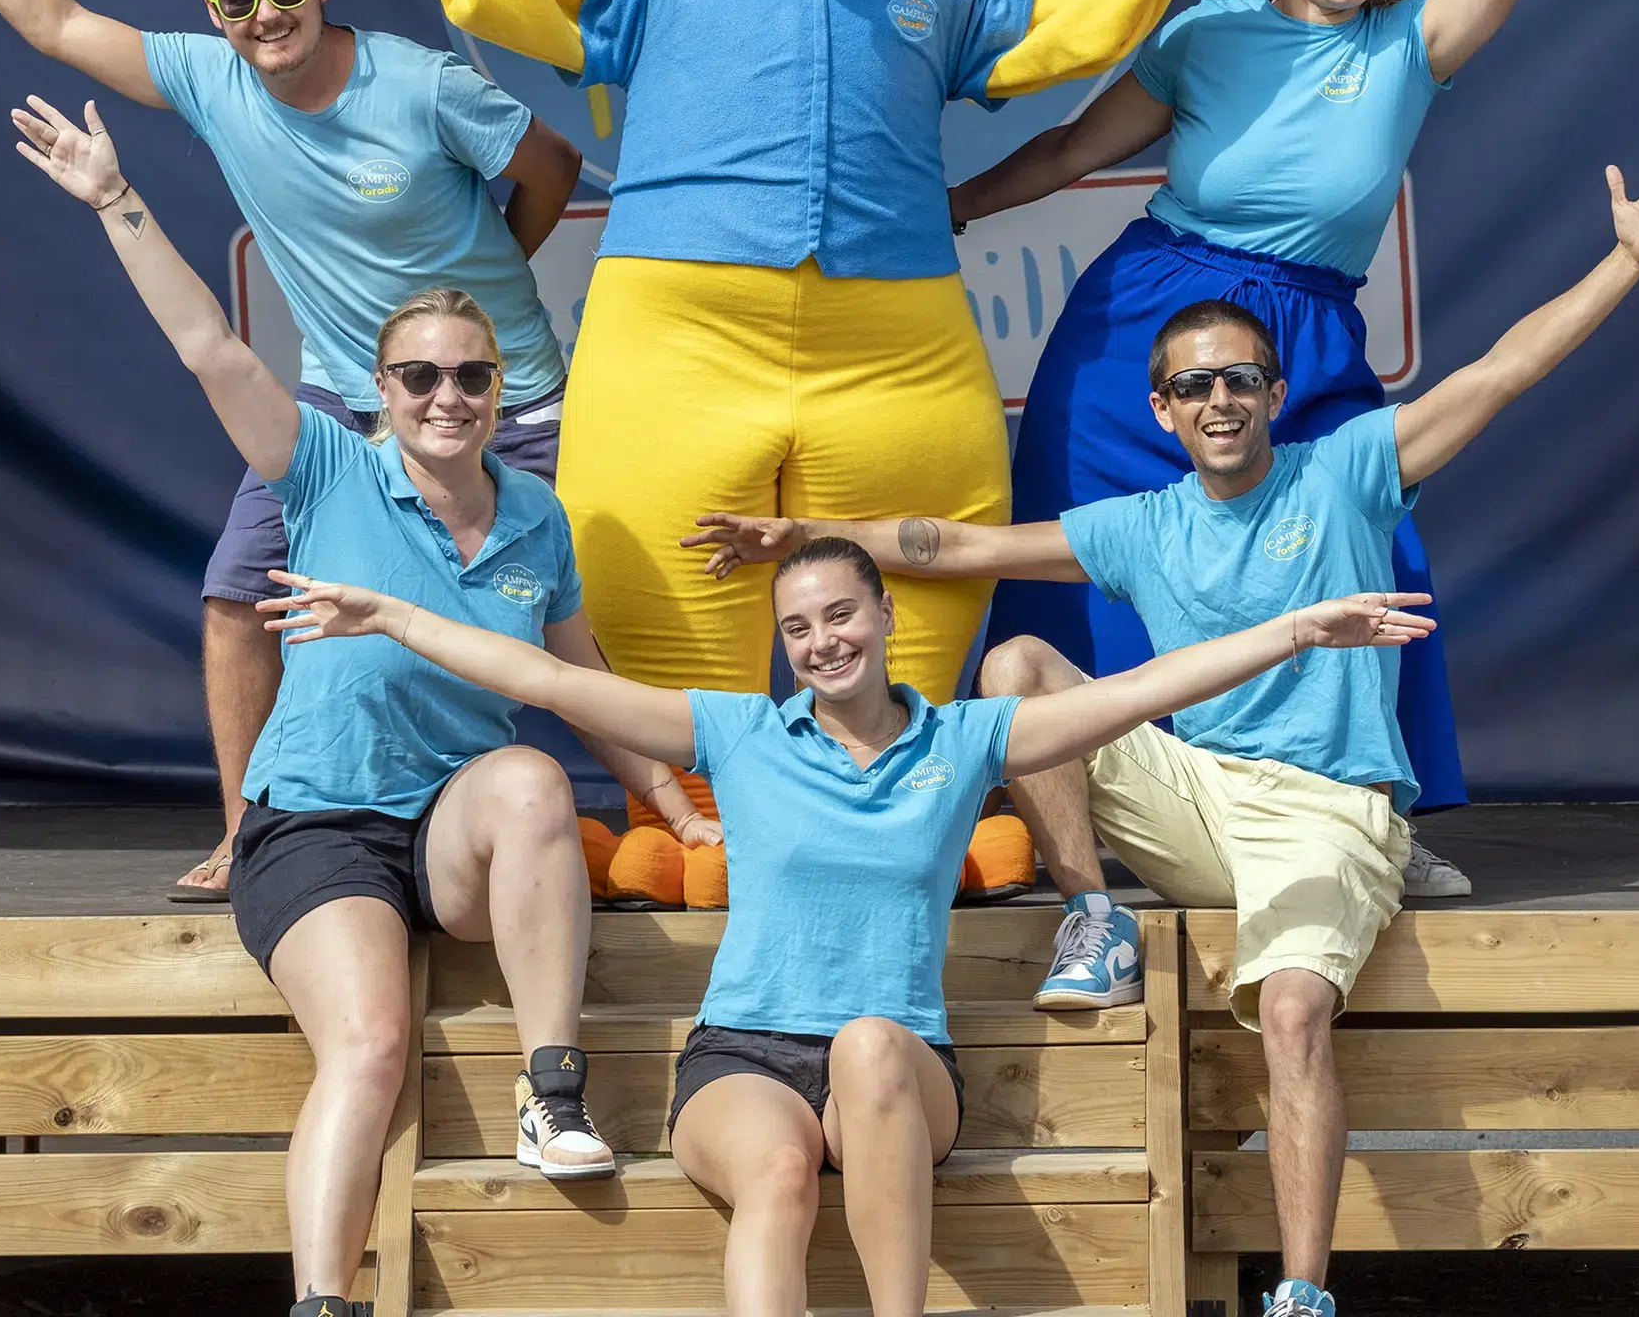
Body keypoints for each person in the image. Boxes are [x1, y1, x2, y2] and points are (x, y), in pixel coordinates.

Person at [689, 147, 1639, 1317]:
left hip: (1326, 811)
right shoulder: (1145, 522)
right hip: (1195, 800)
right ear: (1164, 412)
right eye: (1193, 386)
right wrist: (801, 538)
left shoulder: (1346, 472)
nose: (1219, 400)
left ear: (1274, 393)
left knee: (1291, 1010)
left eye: (1239, 379)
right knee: (1017, 667)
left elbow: (1499, 373)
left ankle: (1303, 1294)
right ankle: (1093, 917)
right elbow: (951, 547)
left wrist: (1627, 260)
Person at [258, 536, 1426, 1317]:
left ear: (883, 613)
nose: (822, 641)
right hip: (741, 1059)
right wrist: (393, 616)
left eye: (840, 614)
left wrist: (1296, 631)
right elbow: (551, 683)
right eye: (799, 627)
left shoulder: (964, 739)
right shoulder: (741, 735)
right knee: (776, 1172)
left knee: (868, 1041)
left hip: (899, 1071)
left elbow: (1141, 692)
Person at [7, 95, 719, 1317]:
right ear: (381, 392)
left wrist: (671, 798)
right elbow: (210, 348)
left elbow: (582, 679)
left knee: (533, 777)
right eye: (420, 376)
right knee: (374, 1046)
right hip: (320, 830)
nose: (448, 396)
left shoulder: (536, 517)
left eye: (472, 376)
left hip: (448, 837)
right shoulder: (327, 466)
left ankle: (552, 1094)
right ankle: (325, 1302)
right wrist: (117, 200)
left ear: (501, 389)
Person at [951, 0, 1625, 897]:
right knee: (1082, 548)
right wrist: (947, 210)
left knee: (1373, 547)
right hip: (1146, 319)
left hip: (1306, 330)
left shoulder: (1408, 43)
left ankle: (1375, 813)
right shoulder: (1205, 38)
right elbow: (1066, 154)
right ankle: (1070, 823)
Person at [0, 0, 590, 901]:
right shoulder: (212, 78)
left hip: (503, 400)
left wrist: (478, 297)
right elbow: (57, 23)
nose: (266, 16)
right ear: (217, 12)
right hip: (343, 405)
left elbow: (553, 167)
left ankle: (667, 816)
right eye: (240, 1)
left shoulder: (420, 84)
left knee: (561, 613)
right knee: (237, 597)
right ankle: (252, 834)